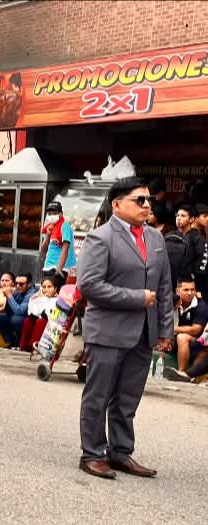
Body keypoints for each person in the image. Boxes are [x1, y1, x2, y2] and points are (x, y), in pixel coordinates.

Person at [77, 177, 173, 480]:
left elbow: (164, 286)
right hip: (108, 331)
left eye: (148, 200)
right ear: (117, 204)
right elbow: (89, 285)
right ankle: (93, 453)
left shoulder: (156, 239)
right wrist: (136, 298)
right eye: (139, 200)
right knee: (98, 395)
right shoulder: (101, 238)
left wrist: (165, 329)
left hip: (143, 332)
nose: (146, 205)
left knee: (128, 397)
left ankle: (120, 451)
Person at [164, 278, 206, 378]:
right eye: (186, 290)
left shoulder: (201, 306)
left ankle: (181, 373)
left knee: (182, 337)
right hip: (172, 339)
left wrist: (173, 328)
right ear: (177, 291)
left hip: (196, 342)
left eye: (192, 289)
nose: (190, 293)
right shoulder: (172, 301)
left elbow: (196, 330)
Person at [40, 201, 78, 281]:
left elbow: (65, 248)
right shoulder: (49, 226)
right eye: (49, 214)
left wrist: (59, 268)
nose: (51, 216)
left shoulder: (65, 226)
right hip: (48, 267)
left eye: (54, 213)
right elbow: (43, 250)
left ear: (61, 214)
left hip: (62, 268)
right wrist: (48, 235)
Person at [0, 274, 35, 348]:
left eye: (21, 284)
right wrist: (7, 296)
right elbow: (8, 311)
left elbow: (19, 311)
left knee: (15, 319)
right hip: (18, 317)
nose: (18, 286)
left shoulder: (31, 293)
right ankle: (11, 342)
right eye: (16, 283)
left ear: (29, 284)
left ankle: (22, 343)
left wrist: (9, 296)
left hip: (30, 319)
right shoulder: (17, 290)